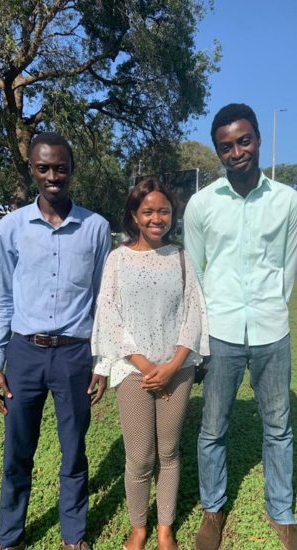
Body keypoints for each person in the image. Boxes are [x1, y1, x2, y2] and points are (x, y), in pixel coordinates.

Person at [183, 103, 297, 550]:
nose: (237, 152)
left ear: (258, 140)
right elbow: (192, 272)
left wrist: (272, 304)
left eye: (243, 141)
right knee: (213, 427)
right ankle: (213, 511)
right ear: (218, 151)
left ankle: (282, 513)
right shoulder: (202, 204)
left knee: (279, 428)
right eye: (226, 146)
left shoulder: (288, 200)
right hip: (222, 331)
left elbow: (289, 267)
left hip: (272, 330)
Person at [0, 132, 111, 550]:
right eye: (43, 167)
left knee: (73, 451)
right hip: (23, 353)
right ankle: (8, 536)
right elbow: (1, 298)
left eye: (60, 167)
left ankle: (73, 535)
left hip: (75, 355)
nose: (52, 176)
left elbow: (104, 300)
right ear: (32, 169)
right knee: (17, 452)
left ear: (71, 170)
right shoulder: (9, 228)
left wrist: (102, 360)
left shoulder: (96, 228)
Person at [91, 178, 209, 550]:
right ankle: (139, 527)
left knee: (169, 453)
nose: (157, 218)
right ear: (134, 217)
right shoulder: (118, 258)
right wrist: (145, 366)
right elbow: (108, 314)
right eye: (148, 211)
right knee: (140, 456)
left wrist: (173, 365)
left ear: (173, 215)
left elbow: (194, 312)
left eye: (164, 211)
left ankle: (164, 528)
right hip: (134, 373)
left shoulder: (180, 258)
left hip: (177, 371)